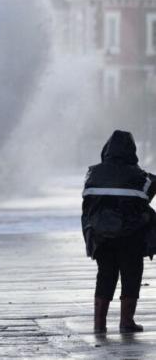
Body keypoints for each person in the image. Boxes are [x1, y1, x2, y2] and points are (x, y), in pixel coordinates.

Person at [82, 130, 156, 334]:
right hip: (129, 237)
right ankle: (126, 322)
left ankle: (99, 323)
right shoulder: (140, 177)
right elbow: (146, 198)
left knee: (105, 274)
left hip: (101, 235)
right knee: (131, 274)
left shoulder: (92, 173)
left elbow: (87, 204)